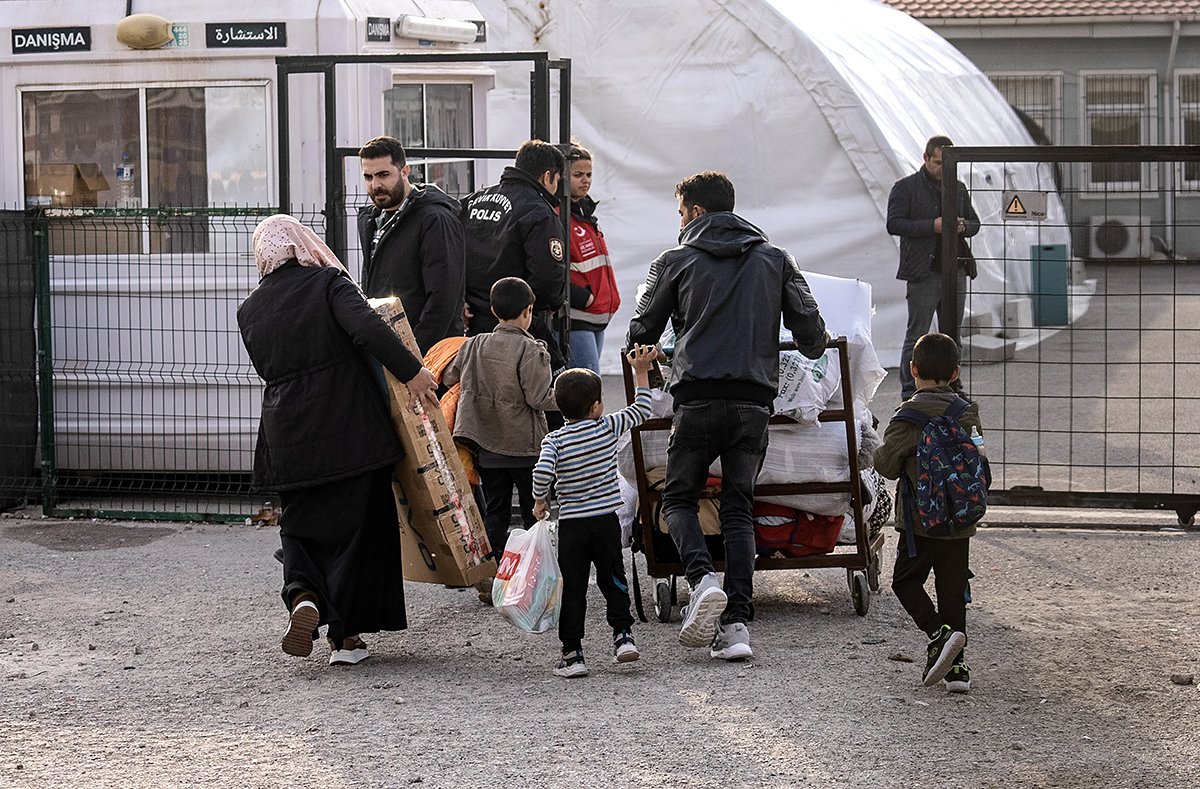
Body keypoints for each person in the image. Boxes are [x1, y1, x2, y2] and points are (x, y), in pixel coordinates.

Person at [626, 171, 828, 661]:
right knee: (739, 507)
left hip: (694, 396)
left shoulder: (673, 261)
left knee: (676, 498)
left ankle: (700, 582)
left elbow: (640, 329)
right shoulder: (777, 259)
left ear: (693, 211)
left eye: (680, 212)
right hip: (753, 400)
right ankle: (736, 624)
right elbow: (813, 337)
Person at [237, 214, 439, 667]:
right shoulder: (327, 282)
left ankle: (304, 595)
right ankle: (345, 639)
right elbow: (367, 329)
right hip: (348, 425)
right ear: (300, 243)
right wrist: (414, 372)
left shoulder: (249, 309)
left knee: (301, 525)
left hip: (285, 434)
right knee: (357, 527)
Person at [531, 345, 657, 678]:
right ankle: (623, 636)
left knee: (572, 588)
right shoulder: (607, 427)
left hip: (572, 526)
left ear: (560, 408)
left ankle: (573, 655)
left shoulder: (554, 441)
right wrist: (640, 370)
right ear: (597, 405)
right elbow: (642, 409)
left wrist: (540, 500)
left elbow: (542, 474)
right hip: (605, 522)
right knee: (613, 577)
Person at [873, 332, 981, 692]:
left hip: (921, 522)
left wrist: (873, 447)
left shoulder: (908, 416)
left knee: (905, 582)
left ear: (912, 369)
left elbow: (887, 466)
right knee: (952, 591)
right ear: (955, 373)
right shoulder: (967, 413)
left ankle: (938, 634)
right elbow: (978, 463)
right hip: (959, 522)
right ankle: (958, 671)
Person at [442, 277, 556, 566]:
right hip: (525, 449)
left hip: (487, 448)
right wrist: (571, 398)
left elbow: (449, 377)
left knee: (496, 513)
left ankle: (490, 570)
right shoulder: (531, 350)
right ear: (529, 311)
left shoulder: (474, 345)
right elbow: (539, 397)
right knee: (535, 513)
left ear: (493, 311)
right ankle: (536, 572)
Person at [886, 134, 981, 401]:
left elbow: (976, 223)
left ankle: (953, 388)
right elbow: (894, 223)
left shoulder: (958, 188)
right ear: (925, 158)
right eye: (938, 162)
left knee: (953, 335)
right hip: (923, 273)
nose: (942, 168)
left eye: (947, 164)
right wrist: (933, 226)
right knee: (917, 334)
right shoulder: (906, 188)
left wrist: (963, 226)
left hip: (956, 270)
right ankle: (909, 391)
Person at [462, 139, 569, 371]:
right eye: (558, 180)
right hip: (518, 323)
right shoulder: (538, 211)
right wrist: (548, 303)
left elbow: (452, 255)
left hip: (471, 322)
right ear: (547, 176)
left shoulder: (473, 201)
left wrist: (459, 298)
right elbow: (547, 275)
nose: (556, 187)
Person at [357, 135, 466, 355]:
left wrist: (415, 354)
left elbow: (443, 298)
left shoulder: (434, 219)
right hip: (386, 348)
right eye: (368, 176)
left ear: (405, 171)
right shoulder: (372, 219)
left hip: (428, 355)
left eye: (383, 175)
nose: (375, 184)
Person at [565, 144, 621, 373]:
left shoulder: (586, 215)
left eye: (589, 175)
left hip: (596, 314)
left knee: (589, 384)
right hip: (578, 316)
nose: (585, 180)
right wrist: (582, 297)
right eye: (578, 175)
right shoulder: (560, 215)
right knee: (587, 383)